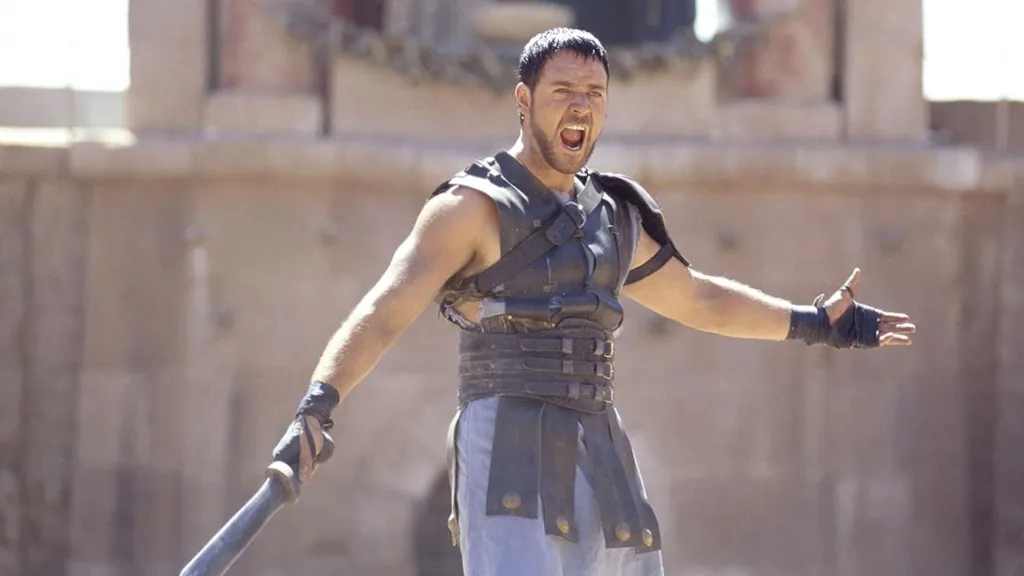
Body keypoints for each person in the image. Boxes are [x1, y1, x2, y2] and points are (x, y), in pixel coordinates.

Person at [269, 27, 916, 576]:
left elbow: (697, 298)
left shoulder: (613, 216)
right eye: (563, 92)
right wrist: (317, 405)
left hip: (601, 446)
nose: (580, 108)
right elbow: (385, 310)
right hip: (508, 448)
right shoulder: (469, 208)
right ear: (523, 101)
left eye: (594, 95)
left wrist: (815, 322)